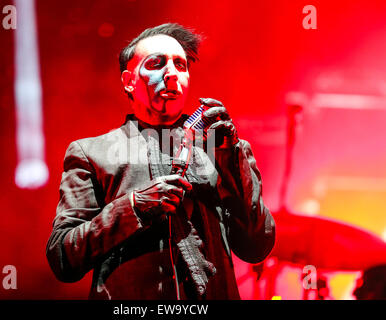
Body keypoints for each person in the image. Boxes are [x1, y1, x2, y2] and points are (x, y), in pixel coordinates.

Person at [46, 23, 275, 300]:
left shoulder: (223, 147)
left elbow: (257, 246)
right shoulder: (92, 153)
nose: (171, 74)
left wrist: (232, 156)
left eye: (181, 65)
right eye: (156, 63)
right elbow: (62, 257)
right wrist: (132, 207)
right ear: (129, 81)